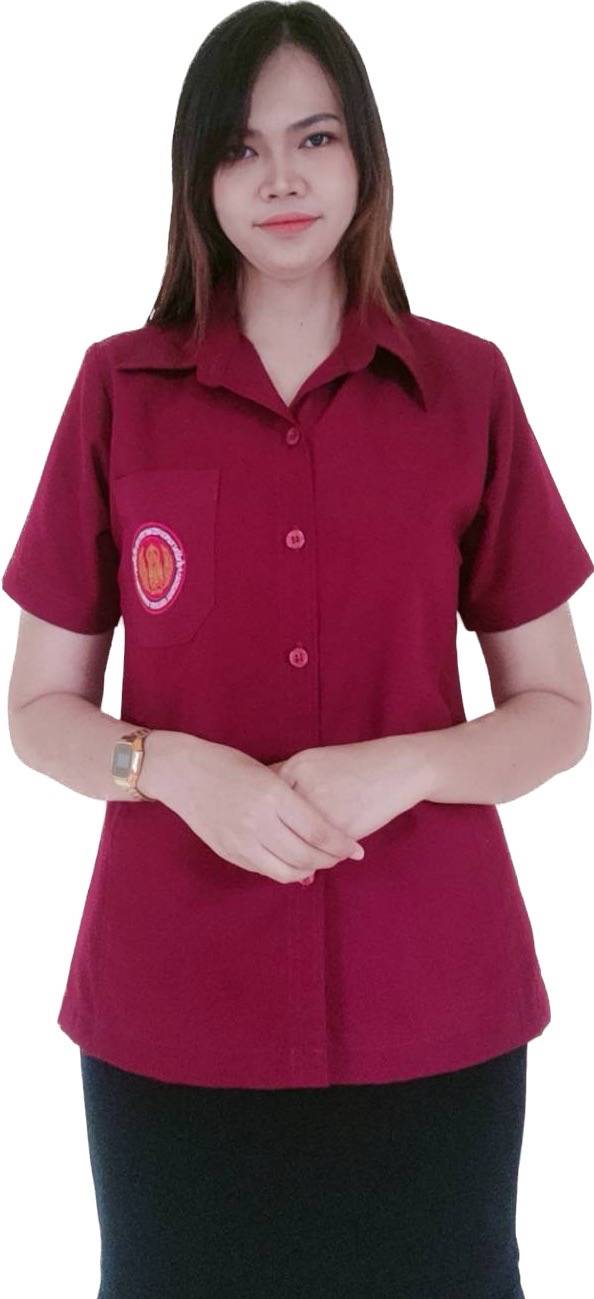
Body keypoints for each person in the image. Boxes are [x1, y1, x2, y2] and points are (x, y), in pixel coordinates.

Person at [3, 4, 592, 1296]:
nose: (280, 178)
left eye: (313, 139)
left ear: (364, 159)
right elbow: (37, 708)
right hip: (173, 1007)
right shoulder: (116, 391)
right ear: (197, 177)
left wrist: (409, 764)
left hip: (434, 999)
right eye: (241, 147)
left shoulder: (467, 389)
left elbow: (556, 706)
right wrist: (171, 767)